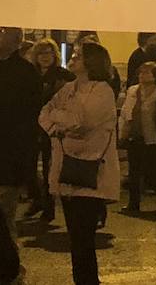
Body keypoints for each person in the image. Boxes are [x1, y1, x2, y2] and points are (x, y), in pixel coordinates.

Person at [39, 42, 119, 285]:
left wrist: (59, 120)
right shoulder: (68, 89)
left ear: (91, 62)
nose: (72, 59)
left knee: (83, 238)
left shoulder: (102, 91)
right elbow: (44, 113)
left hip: (91, 172)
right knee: (75, 238)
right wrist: (57, 126)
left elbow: (81, 121)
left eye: (78, 56)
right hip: (67, 169)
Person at [0, 26, 42, 243]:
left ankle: (8, 267)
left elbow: (30, 119)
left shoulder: (26, 73)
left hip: (8, 159)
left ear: (16, 41)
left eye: (2, 31)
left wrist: (25, 165)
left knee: (3, 218)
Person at [26, 38, 74, 221]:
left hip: (52, 126)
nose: (45, 57)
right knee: (29, 167)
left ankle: (48, 206)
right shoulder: (31, 75)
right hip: (31, 126)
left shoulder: (63, 76)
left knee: (49, 167)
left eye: (48, 53)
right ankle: (37, 198)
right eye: (41, 53)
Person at [118, 61, 156, 214]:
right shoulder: (133, 91)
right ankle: (133, 203)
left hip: (152, 136)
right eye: (141, 72)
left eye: (147, 72)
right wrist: (124, 130)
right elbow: (126, 111)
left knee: (153, 169)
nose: (143, 76)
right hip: (135, 135)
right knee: (134, 171)